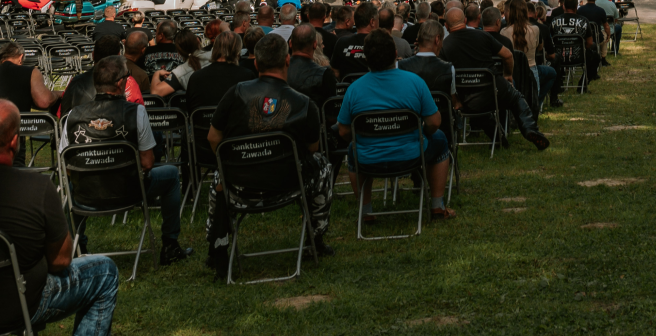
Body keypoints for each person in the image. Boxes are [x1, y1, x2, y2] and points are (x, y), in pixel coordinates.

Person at [203, 32, 335, 274]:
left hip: (239, 185)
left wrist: (232, 166)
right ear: (287, 60)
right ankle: (314, 239)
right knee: (323, 166)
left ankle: (217, 244)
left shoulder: (235, 93)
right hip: (288, 183)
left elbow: (213, 138)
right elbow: (313, 149)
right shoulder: (305, 103)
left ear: (255, 63)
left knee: (218, 178)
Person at [0, 100, 120, 336]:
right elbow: (61, 261)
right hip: (23, 304)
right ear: (14, 142)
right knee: (105, 273)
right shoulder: (37, 188)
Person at [58, 56, 189, 267]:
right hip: (129, 192)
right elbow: (147, 163)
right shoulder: (136, 112)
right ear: (121, 83)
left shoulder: (72, 115)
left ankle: (78, 247)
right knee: (172, 175)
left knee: (70, 191)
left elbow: (66, 164)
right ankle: (170, 244)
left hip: (85, 195)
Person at [335, 30, 456, 223]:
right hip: (411, 155)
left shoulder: (354, 89)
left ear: (366, 58)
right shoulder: (415, 83)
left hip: (368, 159)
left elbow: (343, 131)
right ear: (395, 55)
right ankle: (437, 206)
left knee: (353, 150)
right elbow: (434, 122)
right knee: (440, 139)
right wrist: (421, 133)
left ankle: (365, 211)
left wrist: (368, 139)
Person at [440, 3, 552, 149]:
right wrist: (508, 75)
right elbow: (507, 55)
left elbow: (444, 74)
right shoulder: (483, 36)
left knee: (478, 109)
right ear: (465, 21)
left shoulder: (444, 45)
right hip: (492, 88)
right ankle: (530, 128)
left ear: (447, 26)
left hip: (466, 96)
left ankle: (499, 139)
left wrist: (455, 99)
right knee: (516, 98)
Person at [182, 28, 251, 119]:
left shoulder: (195, 77)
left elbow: (190, 110)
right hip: (234, 131)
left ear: (215, 49)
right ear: (238, 52)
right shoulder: (247, 76)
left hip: (201, 131)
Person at [0, 40, 61, 114]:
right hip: (19, 123)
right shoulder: (32, 72)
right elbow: (44, 101)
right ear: (21, 58)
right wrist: (57, 94)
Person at [550, 0, 600, 85]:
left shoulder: (554, 21)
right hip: (579, 57)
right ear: (577, 6)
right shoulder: (584, 21)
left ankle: (559, 83)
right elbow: (589, 43)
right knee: (596, 57)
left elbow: (550, 40)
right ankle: (582, 84)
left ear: (563, 6)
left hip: (558, 57)